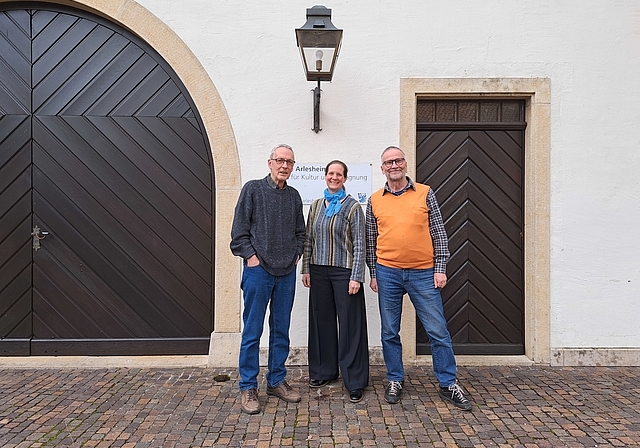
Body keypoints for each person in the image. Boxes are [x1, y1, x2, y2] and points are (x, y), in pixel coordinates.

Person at [365, 146, 472, 412]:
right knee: (390, 331)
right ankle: (395, 379)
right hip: (387, 272)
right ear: (382, 169)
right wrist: (374, 273)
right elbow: (370, 240)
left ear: (405, 164)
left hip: (423, 272)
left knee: (437, 330)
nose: (394, 166)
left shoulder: (425, 193)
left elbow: (438, 231)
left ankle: (448, 383)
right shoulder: (375, 199)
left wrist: (440, 267)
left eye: (398, 160)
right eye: (388, 162)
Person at [230, 144, 306, 415]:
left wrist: (297, 254)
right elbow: (238, 233)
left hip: (286, 272)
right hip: (258, 271)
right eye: (280, 160)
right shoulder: (253, 189)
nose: (284, 166)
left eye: (289, 162)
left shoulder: (294, 196)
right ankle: (248, 385)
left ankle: (275, 380)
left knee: (281, 330)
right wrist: (251, 258)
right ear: (270, 163)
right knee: (252, 331)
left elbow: (301, 231)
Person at [301, 160, 369, 403]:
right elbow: (308, 239)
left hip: (344, 272)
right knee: (321, 322)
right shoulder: (317, 205)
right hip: (318, 271)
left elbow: (360, 244)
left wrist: (356, 276)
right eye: (331, 173)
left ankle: (355, 380)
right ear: (325, 176)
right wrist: (306, 268)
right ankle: (323, 371)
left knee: (350, 325)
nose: (334, 177)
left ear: (345, 178)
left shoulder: (352, 207)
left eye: (339, 174)